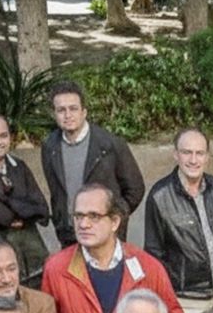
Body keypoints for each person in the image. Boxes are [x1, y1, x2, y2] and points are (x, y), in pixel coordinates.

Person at [41, 185, 184, 313]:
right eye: (78, 216)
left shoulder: (147, 267)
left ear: (115, 222)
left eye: (94, 216)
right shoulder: (56, 268)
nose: (83, 224)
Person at [145, 128, 213, 313]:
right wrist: (167, 300)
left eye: (199, 153)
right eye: (187, 152)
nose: (193, 160)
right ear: (175, 154)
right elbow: (154, 255)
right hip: (185, 300)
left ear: (207, 157)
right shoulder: (160, 196)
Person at [43, 80, 146, 245]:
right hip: (70, 235)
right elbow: (56, 191)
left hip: (106, 237)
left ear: (84, 112)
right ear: (54, 114)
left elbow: (135, 189)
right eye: (61, 110)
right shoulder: (50, 147)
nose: (67, 115)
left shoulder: (110, 145)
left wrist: (113, 218)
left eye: (73, 108)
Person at [0, 112, 52, 276]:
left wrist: (4, 199)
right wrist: (24, 209)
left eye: (3, 136)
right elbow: (1, 216)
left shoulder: (19, 166)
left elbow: (42, 209)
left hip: (32, 247)